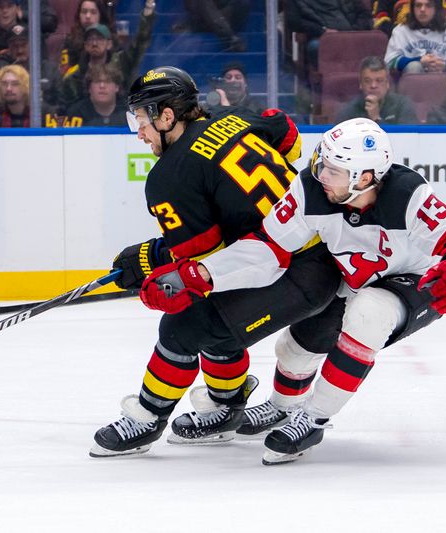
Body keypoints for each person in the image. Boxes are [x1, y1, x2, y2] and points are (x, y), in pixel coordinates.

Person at [138, 117, 446, 465]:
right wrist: (202, 274)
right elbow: (267, 248)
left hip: (413, 282)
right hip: (353, 279)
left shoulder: (408, 195)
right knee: (293, 350)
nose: (321, 174)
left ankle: (314, 419)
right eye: (322, 162)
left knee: (368, 314)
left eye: (333, 170)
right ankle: (282, 409)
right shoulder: (310, 188)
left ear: (365, 177)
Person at [90, 66, 340, 458]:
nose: (138, 131)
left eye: (140, 119)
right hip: (320, 250)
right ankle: (226, 407)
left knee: (182, 325)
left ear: (167, 116)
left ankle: (147, 418)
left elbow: (202, 253)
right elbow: (287, 134)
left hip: (295, 269)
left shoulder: (168, 176)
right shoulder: (235, 116)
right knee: (217, 318)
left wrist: (147, 258)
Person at [59, 1, 156, 111]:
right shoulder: (76, 74)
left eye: (99, 39)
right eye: (91, 39)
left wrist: (148, 14)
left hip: (120, 117)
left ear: (109, 44)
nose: (95, 43)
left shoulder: (121, 63)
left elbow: (139, 43)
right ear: (85, 44)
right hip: (85, 121)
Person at [384, 0, 446, 76]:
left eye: (428, 5)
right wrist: (419, 61)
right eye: (418, 5)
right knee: (414, 66)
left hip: (445, 80)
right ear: (412, 8)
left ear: (436, 8)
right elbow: (390, 61)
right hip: (410, 81)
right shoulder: (400, 31)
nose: (422, 9)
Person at [284, 0, 373, 68]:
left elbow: (364, 14)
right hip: (323, 37)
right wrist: (322, 31)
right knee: (315, 47)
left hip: (353, 35)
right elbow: (293, 22)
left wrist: (354, 31)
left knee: (375, 41)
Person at [336, 56, 419, 124]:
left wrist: (376, 119)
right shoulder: (350, 109)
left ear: (387, 83)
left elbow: (407, 139)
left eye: (379, 80)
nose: (373, 85)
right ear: (361, 84)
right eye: (367, 81)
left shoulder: (402, 105)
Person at [179, 0, 251, 52]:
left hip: (226, 18)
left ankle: (228, 36)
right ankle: (229, 37)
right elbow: (191, 7)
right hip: (202, 20)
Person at [373, 0, 446, 36]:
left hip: (433, 33)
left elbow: (444, 16)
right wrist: (397, 32)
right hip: (398, 34)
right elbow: (381, 16)